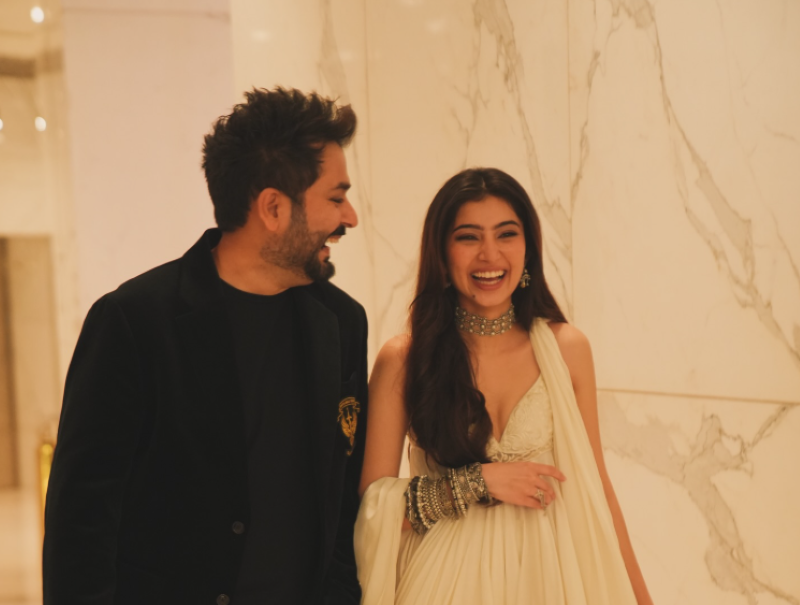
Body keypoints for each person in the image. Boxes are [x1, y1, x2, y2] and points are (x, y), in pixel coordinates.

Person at [43, 88, 368, 605]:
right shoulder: (134, 321)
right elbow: (81, 520)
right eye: (335, 198)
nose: (350, 216)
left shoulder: (342, 321)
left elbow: (342, 496)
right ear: (273, 207)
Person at [355, 168, 653, 604]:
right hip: (442, 584)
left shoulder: (566, 349)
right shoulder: (404, 359)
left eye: (506, 234)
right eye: (468, 237)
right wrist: (477, 482)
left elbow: (597, 490)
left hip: (552, 579)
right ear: (441, 253)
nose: (490, 254)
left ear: (528, 248)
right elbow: (371, 507)